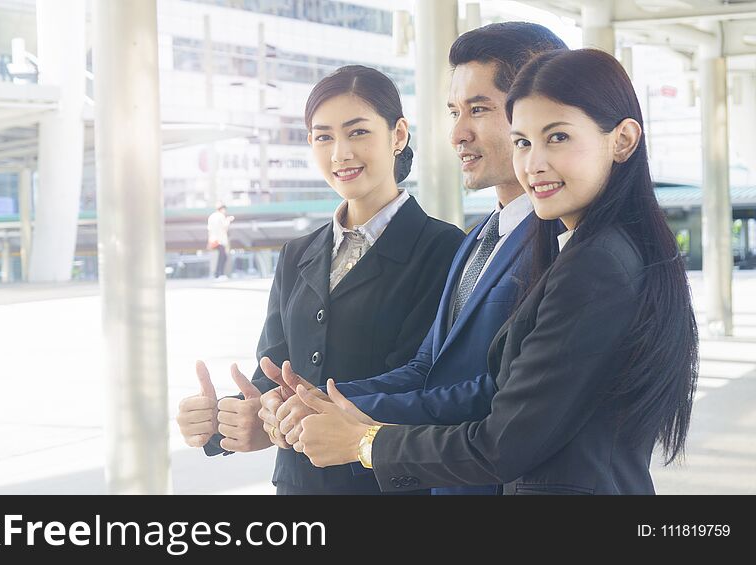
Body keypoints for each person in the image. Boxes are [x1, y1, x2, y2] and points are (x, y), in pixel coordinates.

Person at [293, 48, 700, 495]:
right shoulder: (566, 247)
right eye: (523, 142)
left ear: (622, 140)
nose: (534, 163)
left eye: (558, 137)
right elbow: (480, 382)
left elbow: (503, 441)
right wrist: (329, 403)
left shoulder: (597, 264)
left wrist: (365, 443)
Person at [260, 22, 568, 495]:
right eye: (453, 112)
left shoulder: (562, 244)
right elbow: (429, 368)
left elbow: (497, 396)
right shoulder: (480, 238)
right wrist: (311, 402)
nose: (457, 133)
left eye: (479, 109)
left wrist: (360, 434)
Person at [176, 65, 464, 494]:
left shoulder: (443, 248)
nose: (340, 153)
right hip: (299, 487)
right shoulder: (297, 254)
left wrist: (288, 413)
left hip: (386, 486)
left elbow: (426, 384)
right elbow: (272, 373)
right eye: (323, 136)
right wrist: (228, 417)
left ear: (398, 135)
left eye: (358, 132)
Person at [207, 203, 234, 279]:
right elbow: (225, 227)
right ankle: (219, 274)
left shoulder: (211, 216)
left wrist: (209, 241)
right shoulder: (221, 216)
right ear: (222, 209)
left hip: (213, 240)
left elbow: (209, 230)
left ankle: (217, 274)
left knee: (220, 256)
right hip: (220, 240)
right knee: (223, 257)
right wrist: (228, 220)